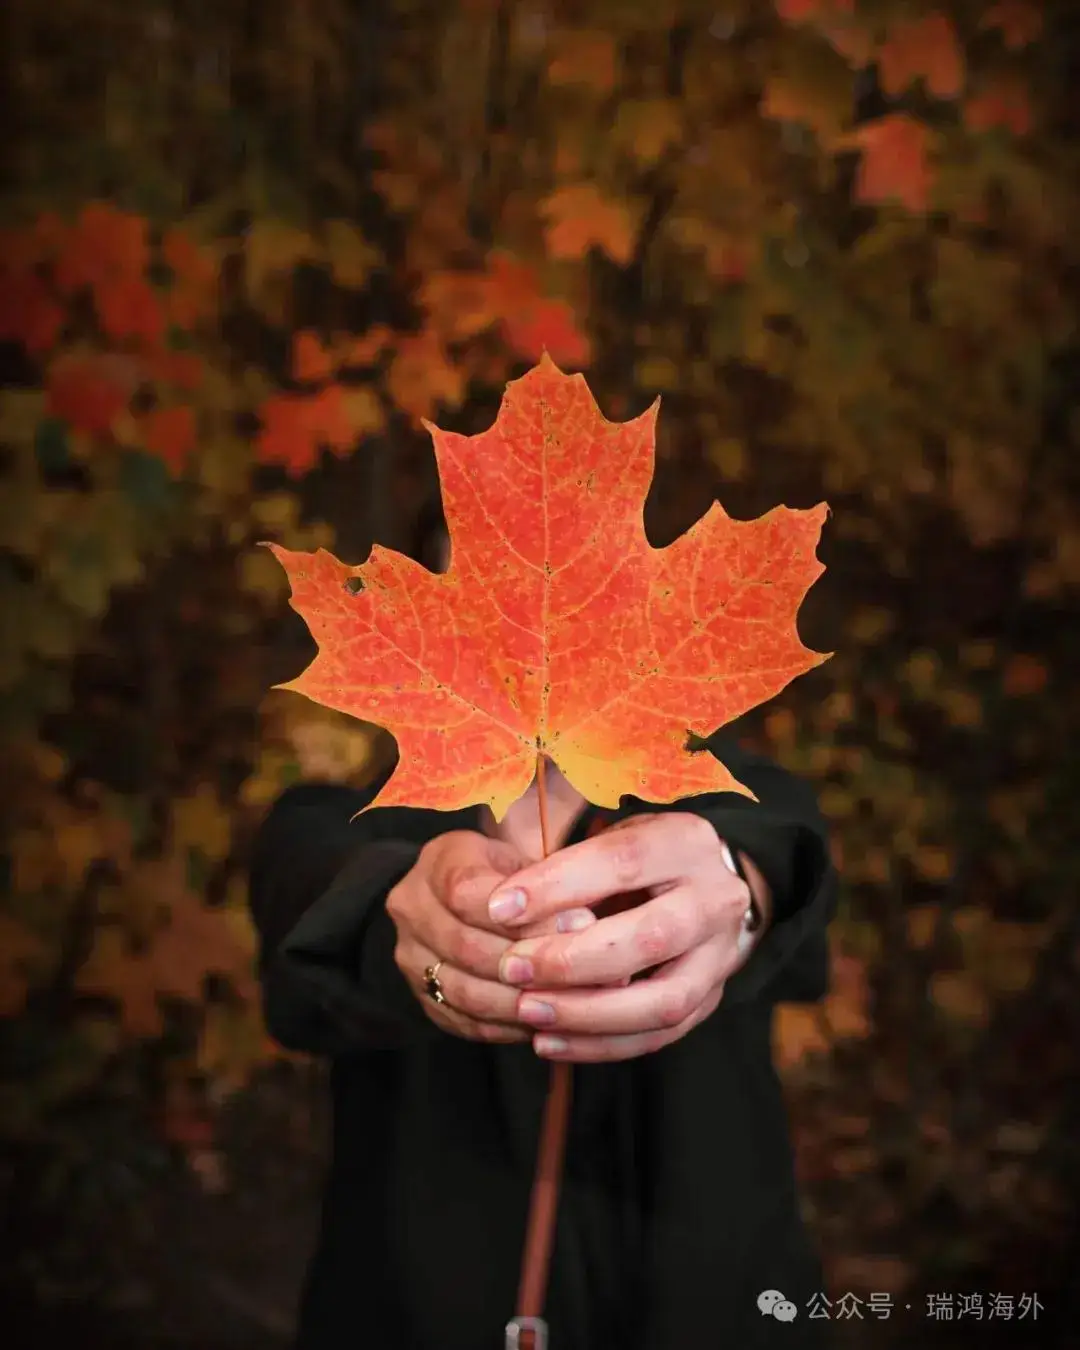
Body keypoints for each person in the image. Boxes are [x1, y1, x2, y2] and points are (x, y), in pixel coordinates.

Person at [249, 731, 837, 1350]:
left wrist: (734, 895)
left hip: (702, 1295)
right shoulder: (350, 821)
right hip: (413, 1302)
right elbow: (316, 906)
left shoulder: (738, 796)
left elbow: (776, 860)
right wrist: (410, 937)